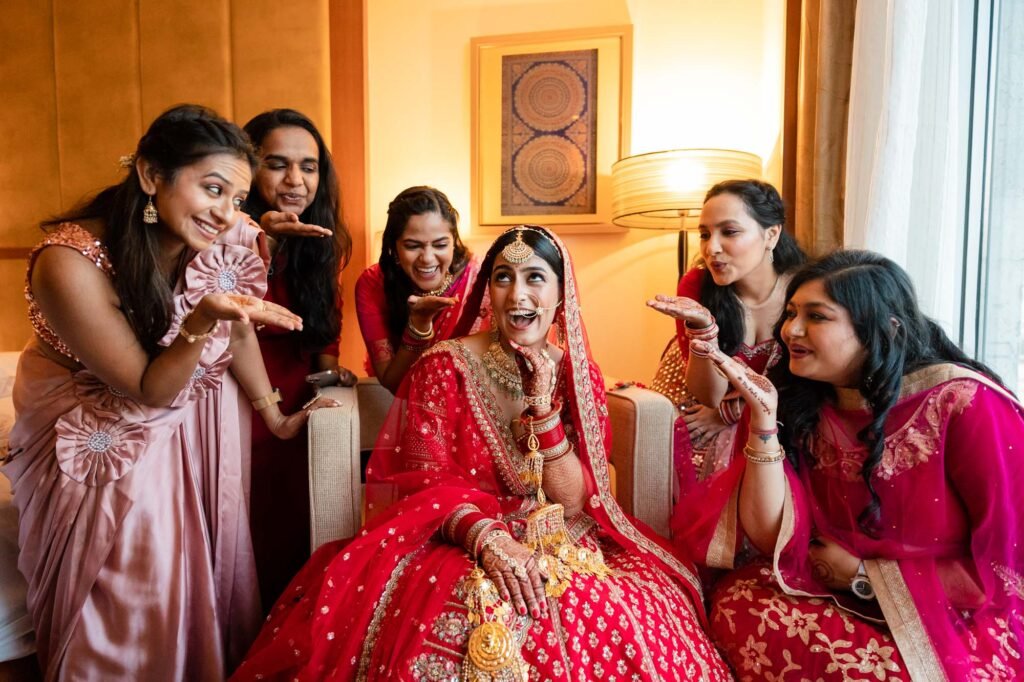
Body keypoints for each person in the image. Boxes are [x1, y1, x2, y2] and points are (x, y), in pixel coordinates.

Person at [232, 226, 731, 681]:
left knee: (616, 610)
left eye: (536, 278)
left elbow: (576, 501)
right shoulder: (443, 366)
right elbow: (422, 484)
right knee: (476, 610)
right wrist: (489, 540)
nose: (519, 295)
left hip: (563, 534)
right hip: (457, 537)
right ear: (487, 291)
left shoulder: (577, 374)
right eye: (503, 278)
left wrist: (543, 411)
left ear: (562, 293)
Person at [2, 104, 335, 680]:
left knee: (194, 580)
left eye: (236, 198)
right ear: (151, 174)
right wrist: (202, 320)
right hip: (96, 427)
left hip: (173, 414)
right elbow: (147, 388)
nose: (225, 213)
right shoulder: (68, 264)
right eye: (212, 189)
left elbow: (236, 322)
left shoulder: (209, 223)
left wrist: (273, 415)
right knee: (130, 586)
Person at [690, 250, 1024, 680]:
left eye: (818, 316)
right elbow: (773, 536)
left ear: (884, 329)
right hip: (828, 587)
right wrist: (764, 423)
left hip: (955, 609)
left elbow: (1008, 561)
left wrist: (863, 575)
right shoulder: (805, 397)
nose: (791, 330)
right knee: (738, 604)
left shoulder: (964, 403)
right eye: (791, 313)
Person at [646, 179, 804, 549]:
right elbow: (708, 394)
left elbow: (810, 380)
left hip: (783, 416)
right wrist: (704, 329)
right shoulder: (698, 286)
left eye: (729, 232)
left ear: (771, 235)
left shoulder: (805, 290)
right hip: (700, 404)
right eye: (705, 234)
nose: (711, 248)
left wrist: (733, 413)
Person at [242, 109, 356, 609]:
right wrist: (257, 239)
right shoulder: (219, 235)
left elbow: (325, 335)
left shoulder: (319, 243)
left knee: (297, 539)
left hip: (296, 408)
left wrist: (330, 380)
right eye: (277, 164)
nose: (295, 180)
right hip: (236, 404)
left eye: (308, 167)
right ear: (248, 168)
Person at [354, 186, 488, 394]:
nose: (427, 257)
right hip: (404, 407)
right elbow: (392, 382)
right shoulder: (373, 284)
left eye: (440, 245)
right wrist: (419, 325)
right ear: (394, 247)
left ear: (453, 242)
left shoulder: (480, 281)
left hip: (473, 404)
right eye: (412, 246)